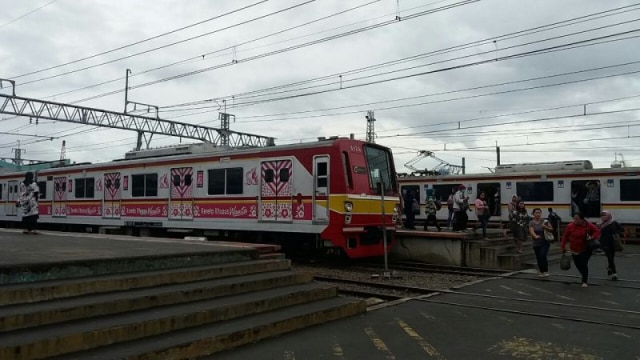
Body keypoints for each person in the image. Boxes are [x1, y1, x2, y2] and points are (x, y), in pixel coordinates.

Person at [561, 212, 601, 288]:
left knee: (583, 264)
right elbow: (565, 237)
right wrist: (563, 246)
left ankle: (584, 281)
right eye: (574, 218)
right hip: (574, 248)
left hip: (585, 248)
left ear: (582, 219)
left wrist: (592, 237)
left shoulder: (588, 225)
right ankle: (583, 275)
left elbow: (597, 231)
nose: (575, 220)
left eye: (577, 218)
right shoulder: (570, 226)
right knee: (578, 264)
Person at [597, 210, 622, 281]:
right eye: (602, 215)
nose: (603, 217)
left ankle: (609, 268)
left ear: (609, 215)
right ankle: (614, 273)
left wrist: (616, 234)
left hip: (613, 243)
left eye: (605, 215)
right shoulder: (600, 224)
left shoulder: (614, 223)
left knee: (611, 257)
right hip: (605, 243)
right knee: (610, 258)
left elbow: (621, 229)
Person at [529, 208, 554, 277]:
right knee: (538, 257)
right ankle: (541, 271)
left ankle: (546, 270)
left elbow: (551, 229)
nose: (538, 214)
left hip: (545, 242)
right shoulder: (531, 222)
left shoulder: (544, 221)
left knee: (543, 255)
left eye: (539, 212)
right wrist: (535, 236)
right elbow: (531, 230)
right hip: (536, 242)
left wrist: (545, 227)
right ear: (533, 214)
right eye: (536, 213)